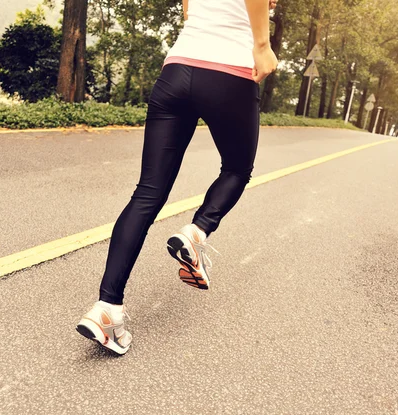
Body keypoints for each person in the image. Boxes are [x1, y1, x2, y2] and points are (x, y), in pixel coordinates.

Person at [76, 0, 278, 355]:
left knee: (148, 192)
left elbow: (190, 12)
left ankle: (106, 308)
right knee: (236, 168)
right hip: (229, 71)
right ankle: (196, 232)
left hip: (178, 67)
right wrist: (262, 46)